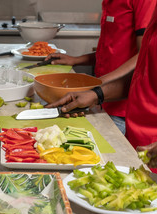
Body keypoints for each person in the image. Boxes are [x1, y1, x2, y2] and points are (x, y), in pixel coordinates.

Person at [46, 2, 157, 171]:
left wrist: (98, 84)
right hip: (136, 145)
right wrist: (96, 94)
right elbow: (144, 74)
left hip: (151, 148)